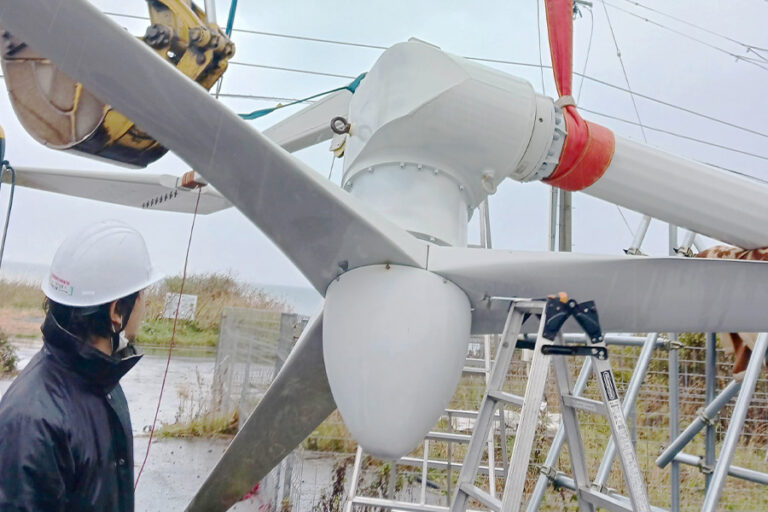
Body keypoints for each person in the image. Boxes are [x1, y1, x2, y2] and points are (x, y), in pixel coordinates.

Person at [0, 220, 162, 511]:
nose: (144, 305)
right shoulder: (32, 420)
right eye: (141, 295)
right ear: (116, 311)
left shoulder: (103, 381)